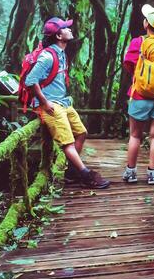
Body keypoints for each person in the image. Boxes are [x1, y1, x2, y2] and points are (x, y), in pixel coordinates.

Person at [25, 16, 111, 189]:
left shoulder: (61, 53)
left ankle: (72, 173)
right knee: (67, 142)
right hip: (50, 105)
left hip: (63, 102)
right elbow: (30, 80)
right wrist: (44, 102)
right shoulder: (48, 57)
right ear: (58, 35)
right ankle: (86, 175)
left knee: (81, 132)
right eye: (66, 28)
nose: (70, 29)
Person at [121, 4, 154, 185]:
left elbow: (128, 64)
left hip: (139, 96)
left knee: (135, 135)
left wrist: (142, 77)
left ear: (146, 24)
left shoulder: (139, 42)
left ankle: (131, 173)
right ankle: (153, 173)